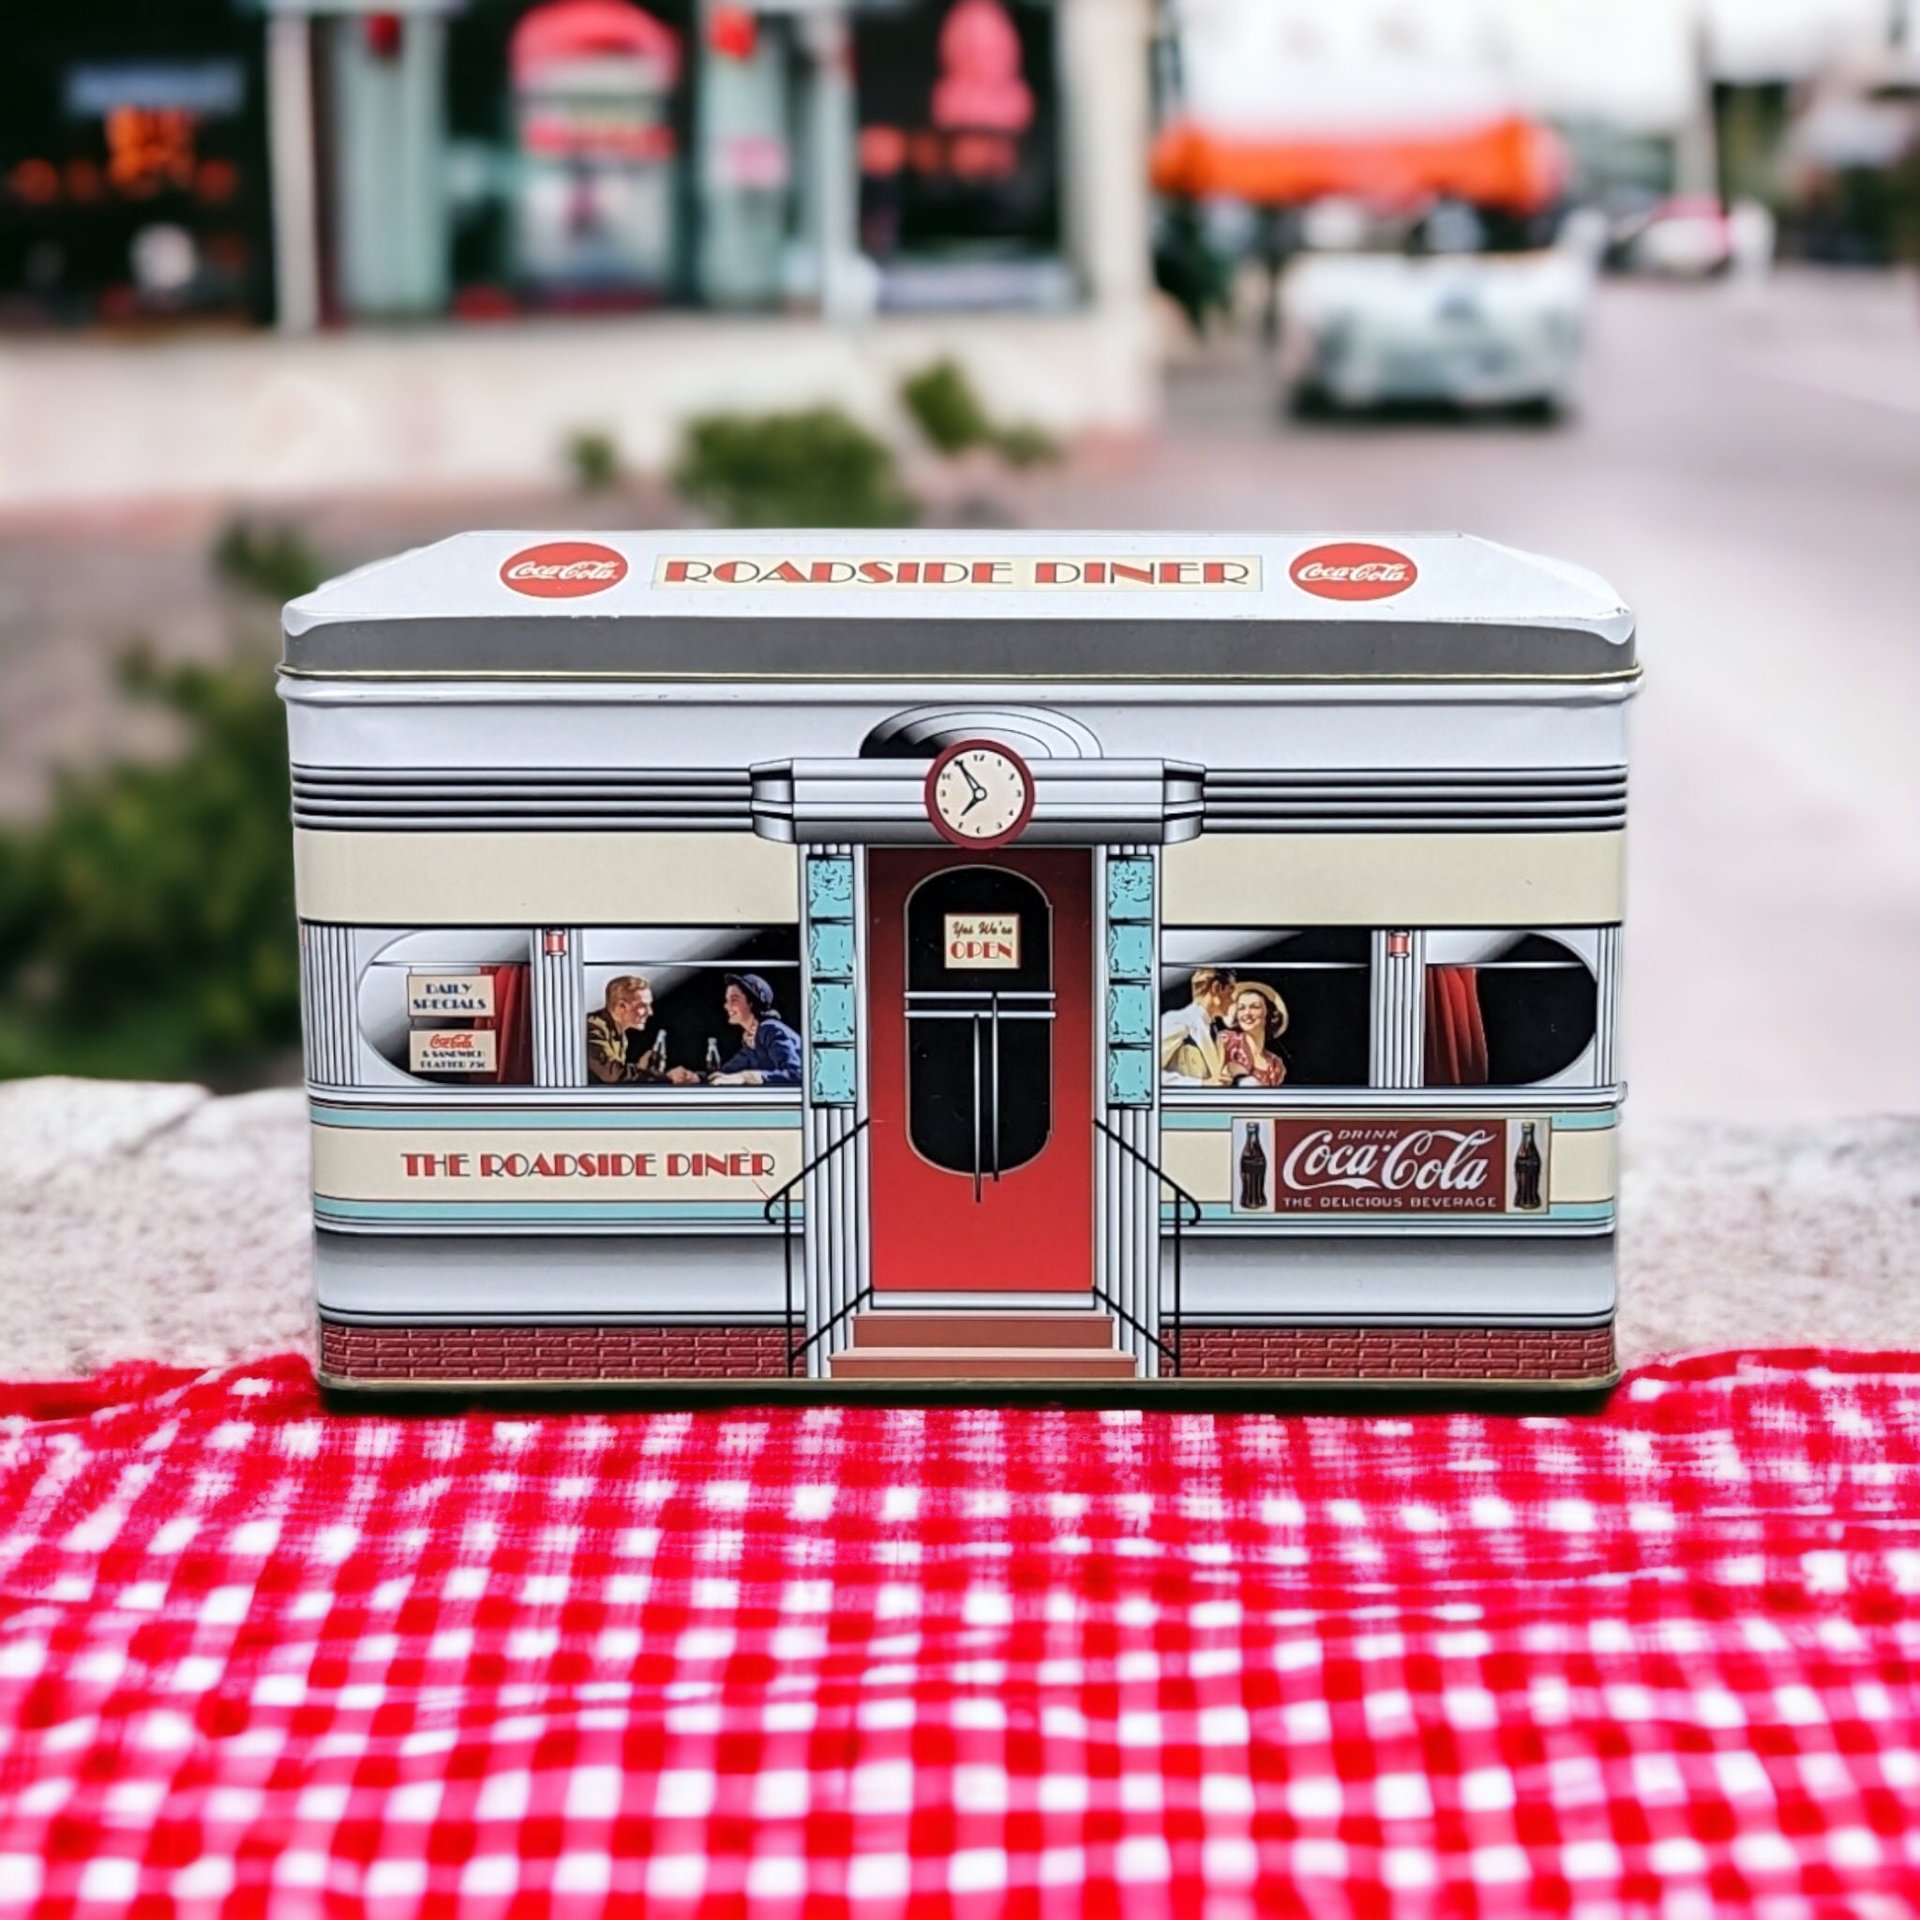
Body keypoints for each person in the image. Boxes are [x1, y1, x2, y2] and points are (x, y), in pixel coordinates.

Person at [667, 973, 803, 1088]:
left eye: (734, 1000)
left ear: (752, 1003)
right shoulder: (751, 1039)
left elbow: (797, 1074)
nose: (727, 1006)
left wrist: (746, 1077)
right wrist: (695, 1077)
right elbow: (727, 1072)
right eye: (727, 1000)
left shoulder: (770, 1030)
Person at [586, 975, 668, 1085]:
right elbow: (613, 1075)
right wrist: (663, 1077)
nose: (650, 1012)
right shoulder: (592, 1029)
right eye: (643, 1006)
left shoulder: (619, 1035)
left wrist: (641, 1070)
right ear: (621, 1006)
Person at [1161, 967, 1236, 1084]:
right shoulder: (1177, 1020)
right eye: (1230, 992)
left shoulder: (1215, 1034)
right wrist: (1200, 1085)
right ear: (1216, 988)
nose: (1232, 1001)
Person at [1214, 981, 1289, 1089]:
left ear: (1268, 1012)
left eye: (1255, 1007)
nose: (1247, 1013)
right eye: (1241, 1008)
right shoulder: (1226, 1041)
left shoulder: (1275, 1066)